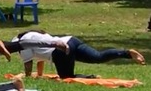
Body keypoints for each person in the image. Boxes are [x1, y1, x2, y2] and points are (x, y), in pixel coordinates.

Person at [14, 30, 145, 79]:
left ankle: (90, 77)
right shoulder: (33, 34)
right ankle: (127, 53)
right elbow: (39, 58)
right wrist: (40, 75)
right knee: (98, 57)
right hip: (71, 40)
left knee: (66, 77)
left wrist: (28, 76)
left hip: (61, 51)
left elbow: (28, 63)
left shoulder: (22, 44)